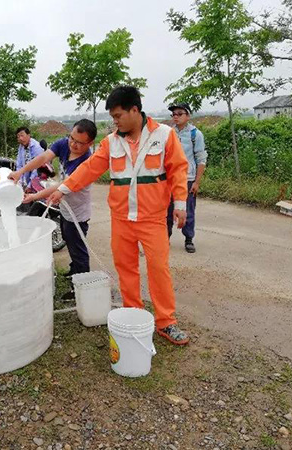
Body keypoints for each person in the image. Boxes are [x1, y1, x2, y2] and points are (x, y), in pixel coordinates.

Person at [48, 86, 191, 345]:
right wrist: (63, 189)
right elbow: (89, 169)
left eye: (117, 116)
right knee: (126, 269)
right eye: (112, 117)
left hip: (153, 218)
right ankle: (134, 315)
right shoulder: (111, 142)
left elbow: (179, 169)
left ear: (134, 110)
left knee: (159, 269)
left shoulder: (164, 135)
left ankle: (166, 322)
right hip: (122, 218)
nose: (114, 121)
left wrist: (180, 203)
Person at [9, 120, 97, 277]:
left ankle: (82, 281)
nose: (73, 144)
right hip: (64, 207)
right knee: (68, 240)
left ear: (90, 143)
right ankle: (74, 271)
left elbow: (62, 186)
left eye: (79, 143)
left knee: (78, 249)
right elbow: (43, 158)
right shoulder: (64, 144)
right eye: (72, 138)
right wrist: (19, 172)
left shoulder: (86, 163)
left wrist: (35, 196)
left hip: (77, 212)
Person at [167, 103, 207, 253]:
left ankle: (189, 239)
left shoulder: (195, 134)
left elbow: (201, 159)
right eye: (173, 114)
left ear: (188, 116)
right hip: (170, 179)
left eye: (179, 113)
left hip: (188, 178)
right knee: (167, 210)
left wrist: (197, 182)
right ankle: (166, 237)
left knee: (188, 210)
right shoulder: (169, 133)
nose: (176, 116)